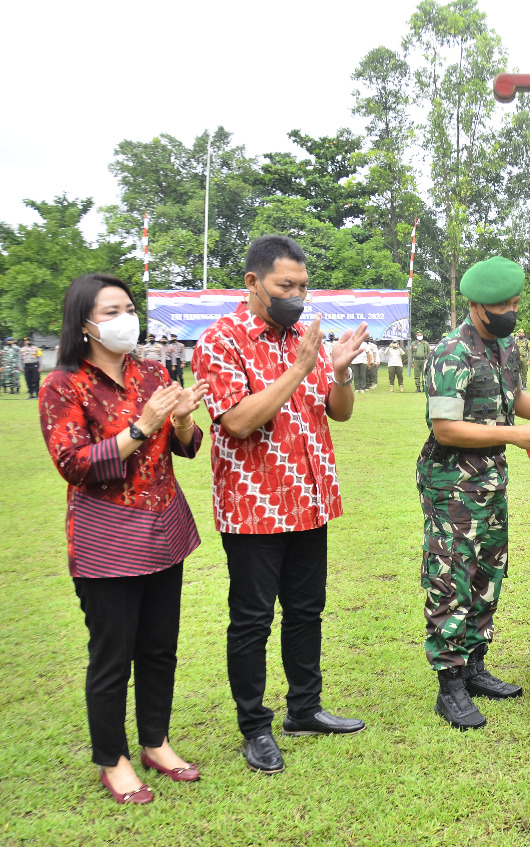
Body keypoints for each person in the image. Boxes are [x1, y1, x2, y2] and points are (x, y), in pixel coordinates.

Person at [193, 234, 370, 774]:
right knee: (251, 621)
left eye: (302, 285)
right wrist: (298, 368)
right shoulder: (220, 341)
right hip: (254, 506)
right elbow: (240, 421)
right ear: (253, 282)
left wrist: (337, 370)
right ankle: (254, 727)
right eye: (284, 285)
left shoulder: (303, 336)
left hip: (309, 500)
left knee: (305, 611)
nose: (296, 294)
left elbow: (337, 413)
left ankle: (305, 709)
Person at [39, 273, 209, 804]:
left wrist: (179, 422)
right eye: (111, 311)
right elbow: (74, 464)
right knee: (112, 655)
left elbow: (185, 448)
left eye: (128, 308)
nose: (124, 319)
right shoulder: (63, 385)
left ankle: (156, 742)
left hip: (164, 528)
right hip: (105, 539)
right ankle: (112, 759)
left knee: (159, 648)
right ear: (85, 323)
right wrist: (140, 426)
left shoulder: (153, 370)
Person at [419, 257, 530, 730]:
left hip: (490, 478)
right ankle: (450, 686)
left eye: (516, 303)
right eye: (503, 305)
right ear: (477, 306)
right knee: (453, 575)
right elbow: (445, 429)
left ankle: (475, 667)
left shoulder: (503, 346)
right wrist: (514, 436)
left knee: (488, 571)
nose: (511, 312)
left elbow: (515, 399)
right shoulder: (450, 352)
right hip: (452, 483)